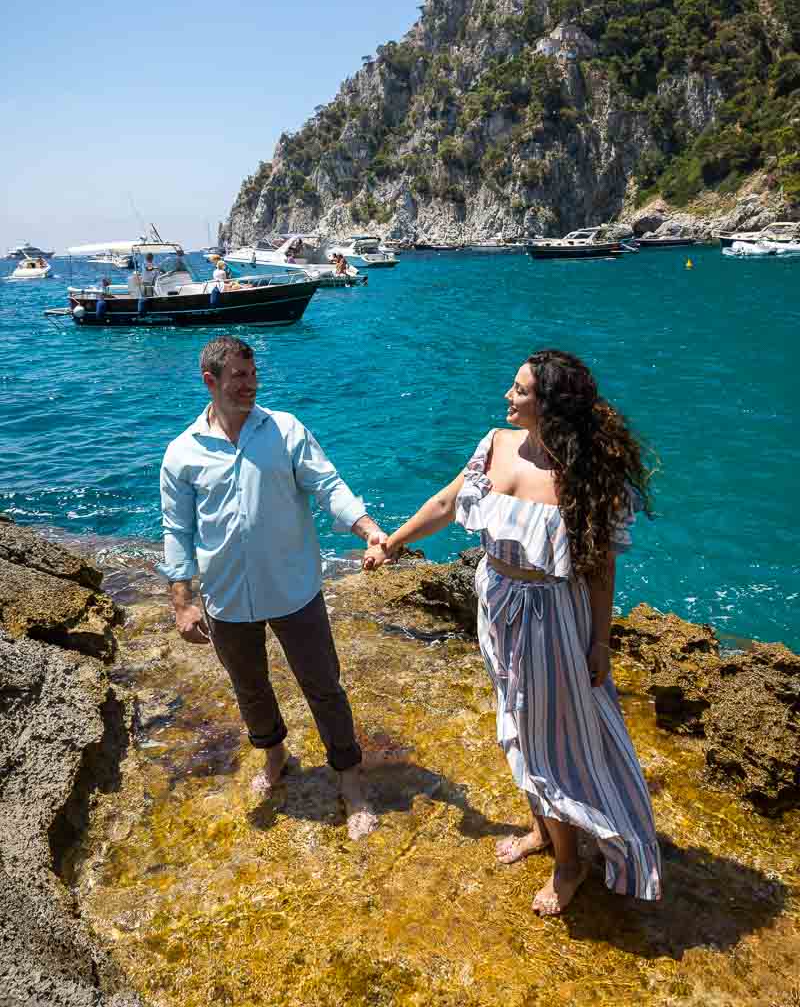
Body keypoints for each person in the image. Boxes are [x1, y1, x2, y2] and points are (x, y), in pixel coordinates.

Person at [363, 349, 662, 914]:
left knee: (551, 738)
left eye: (520, 390)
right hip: (496, 601)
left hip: (552, 616)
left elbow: (599, 568)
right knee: (516, 716)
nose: (508, 396)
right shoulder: (495, 444)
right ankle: (544, 829)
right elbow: (448, 502)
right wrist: (394, 542)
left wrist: (599, 642)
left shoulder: (584, 475)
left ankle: (569, 864)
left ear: (550, 405)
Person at [158, 335, 386, 839]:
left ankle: (350, 776)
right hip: (226, 597)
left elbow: (329, 486)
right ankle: (275, 755)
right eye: (238, 376)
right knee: (250, 687)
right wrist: (182, 602)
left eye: (253, 374)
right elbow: (177, 531)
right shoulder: (181, 454)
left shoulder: (284, 430)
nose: (249, 385)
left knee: (323, 686)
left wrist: (367, 528)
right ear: (210, 381)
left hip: (294, 590)